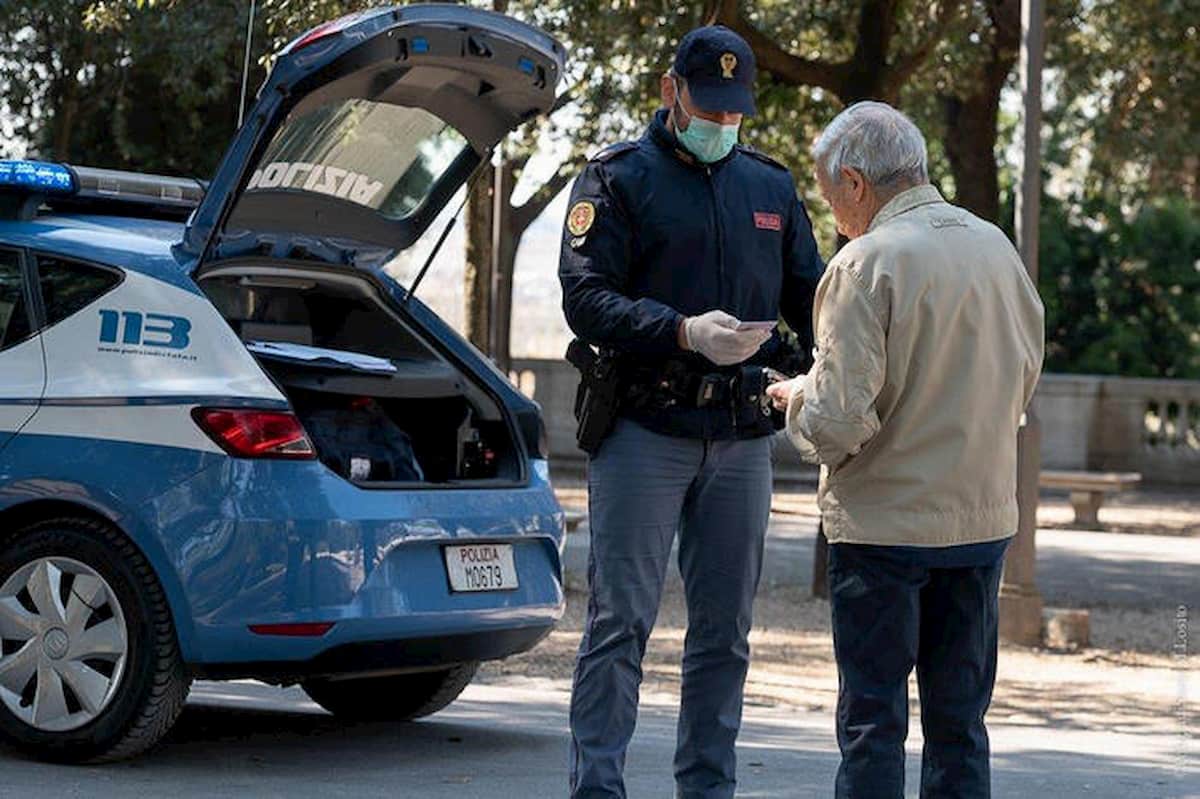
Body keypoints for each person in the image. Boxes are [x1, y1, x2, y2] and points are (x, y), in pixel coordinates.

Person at [558, 25, 824, 799]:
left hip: (741, 436)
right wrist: (681, 331)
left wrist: (822, 363)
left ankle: (707, 788)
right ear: (670, 90)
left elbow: (814, 300)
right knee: (619, 625)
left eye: (735, 111)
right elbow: (586, 297)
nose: (723, 123)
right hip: (645, 429)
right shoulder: (615, 179)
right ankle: (598, 788)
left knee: (724, 635)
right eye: (710, 108)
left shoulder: (769, 187)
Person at [766, 101, 1045, 799]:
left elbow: (838, 421)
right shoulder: (995, 247)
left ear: (855, 183)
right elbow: (1024, 373)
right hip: (980, 518)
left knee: (873, 723)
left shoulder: (864, 262)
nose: (834, 217)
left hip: (884, 527)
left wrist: (795, 399)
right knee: (960, 725)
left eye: (830, 197)